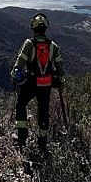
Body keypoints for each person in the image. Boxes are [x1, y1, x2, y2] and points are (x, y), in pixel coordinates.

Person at [10, 13, 64, 152]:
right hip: (46, 84)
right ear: (45, 27)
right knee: (43, 111)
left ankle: (22, 136)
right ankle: (42, 140)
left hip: (31, 82)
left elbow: (19, 64)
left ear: (33, 27)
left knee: (21, 104)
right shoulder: (53, 46)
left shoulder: (29, 44)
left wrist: (14, 76)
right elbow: (59, 66)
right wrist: (60, 80)